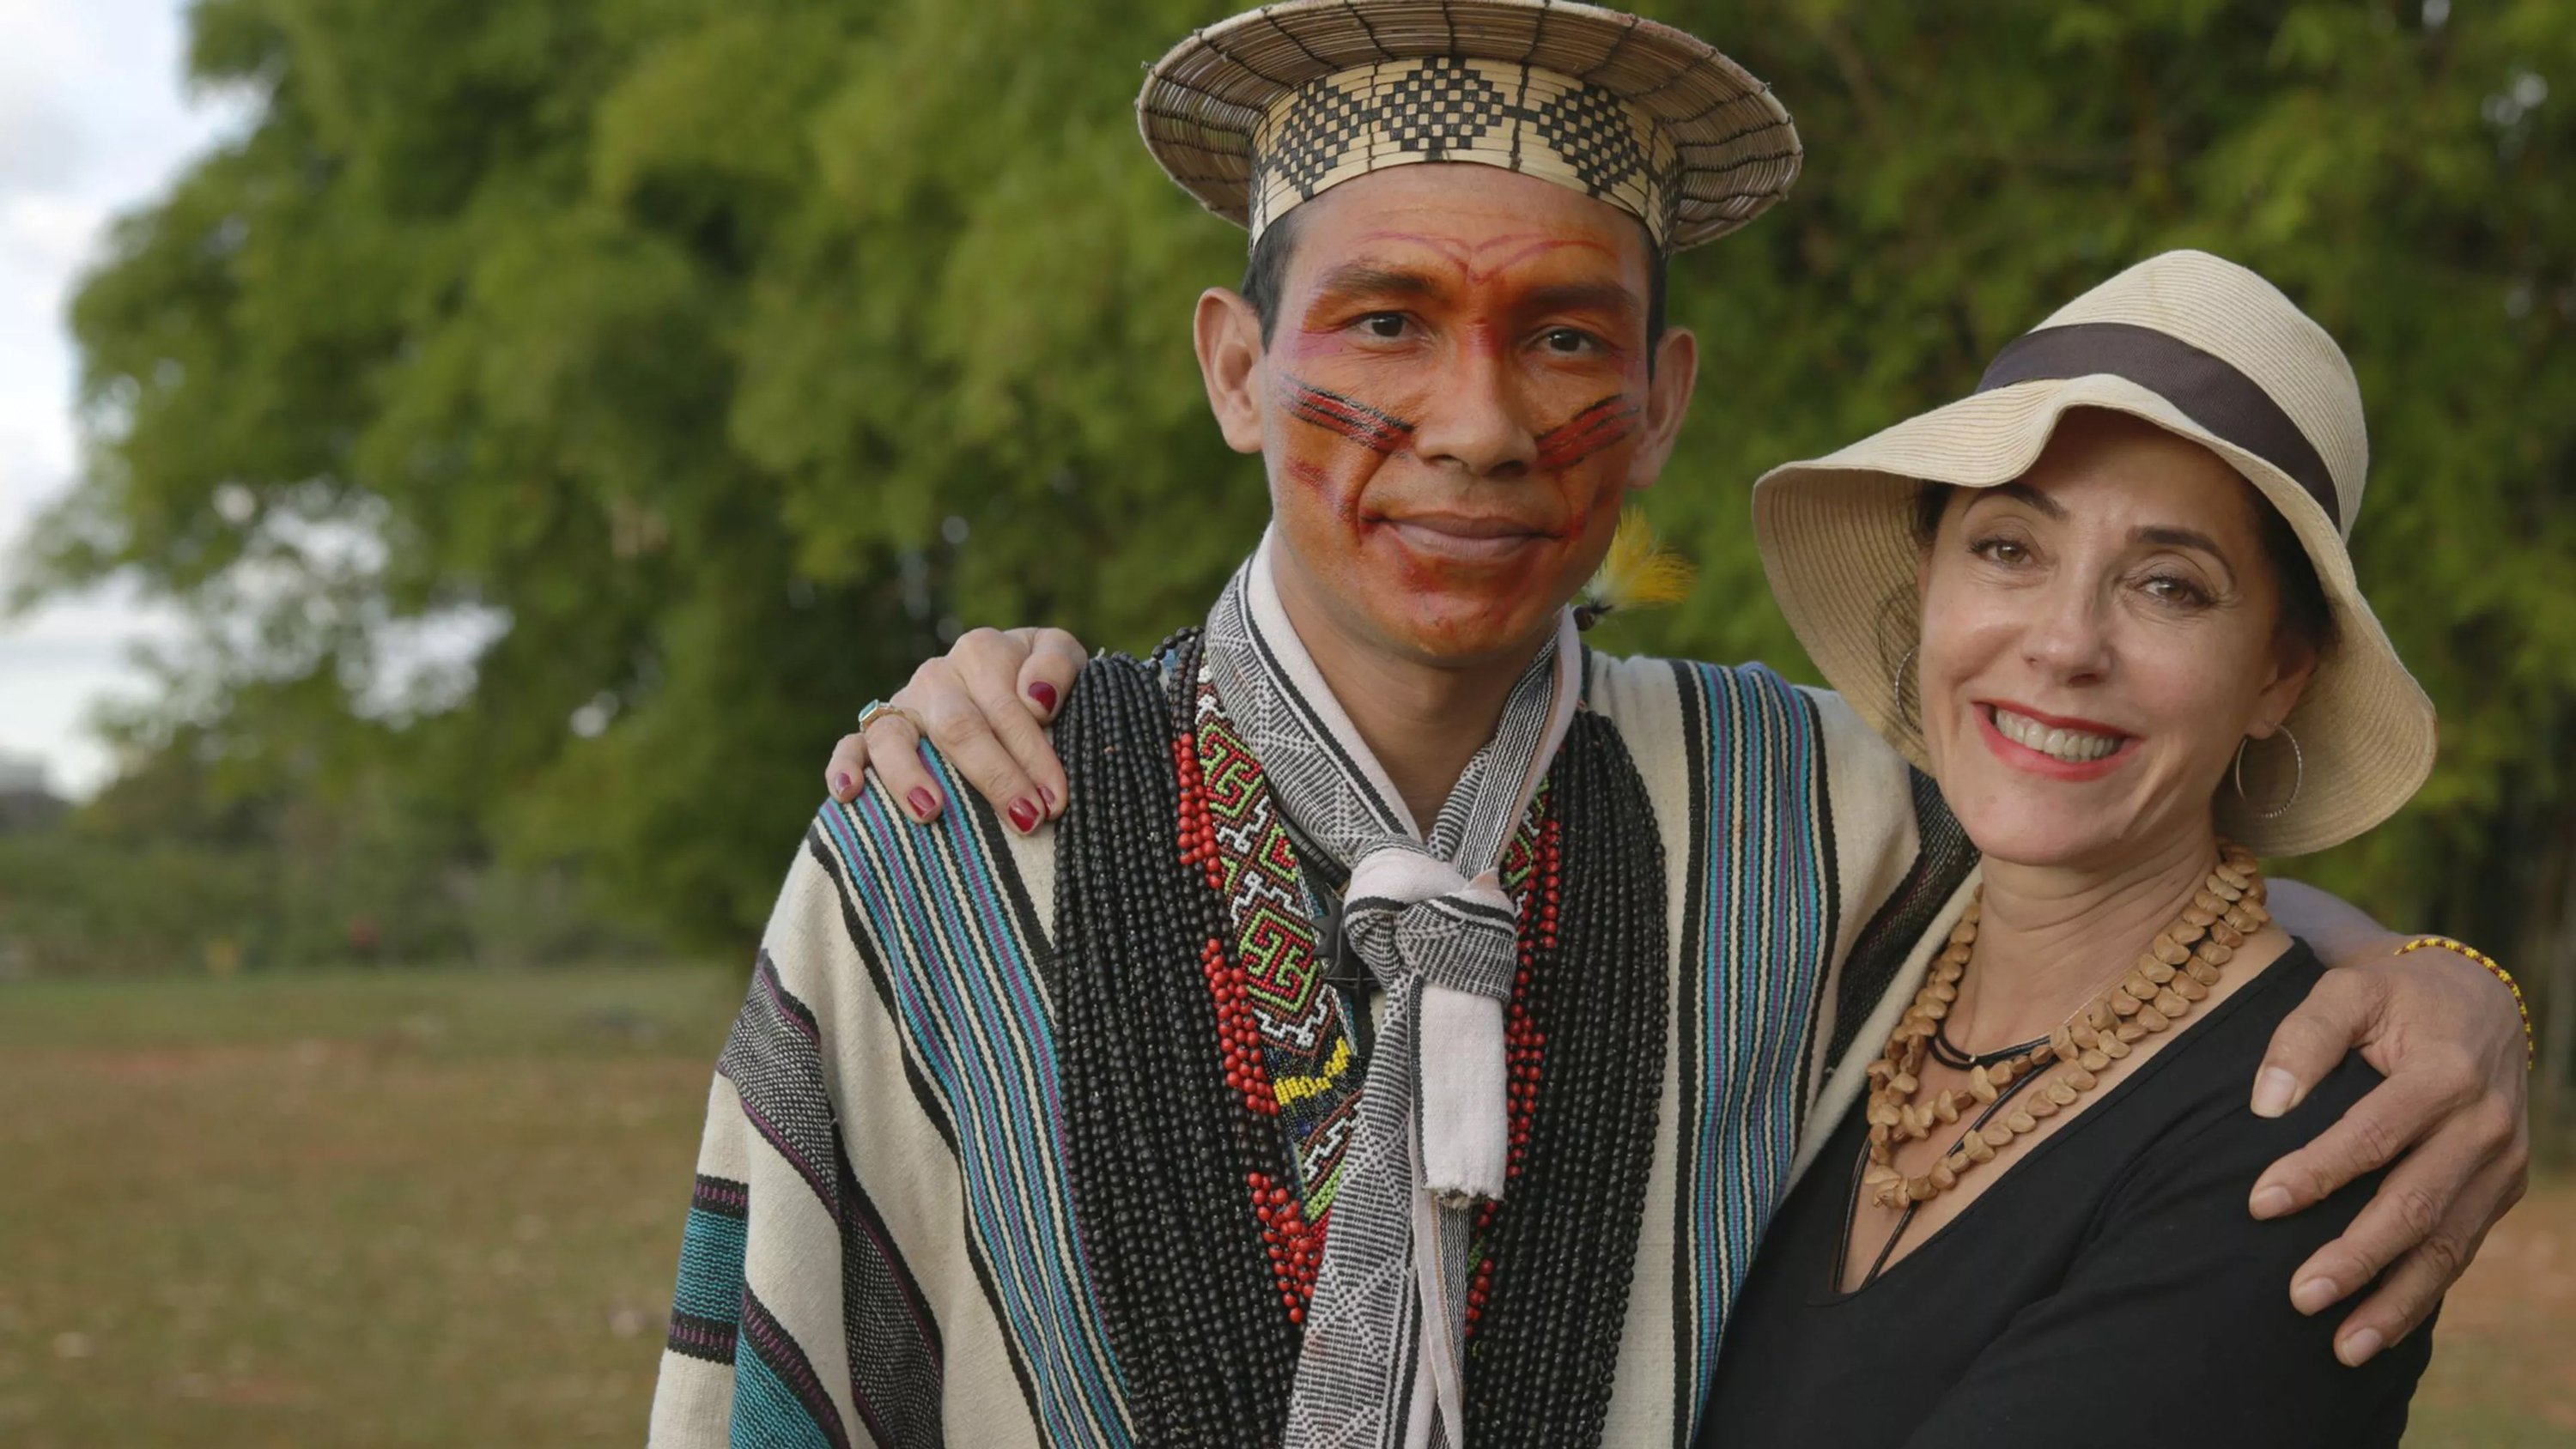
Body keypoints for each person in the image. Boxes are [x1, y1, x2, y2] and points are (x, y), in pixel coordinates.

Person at [659, 3, 2528, 1446]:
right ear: (1239, 367)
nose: (1476, 425)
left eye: (1563, 338)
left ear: (1658, 400)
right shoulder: (959, 834)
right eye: (1385, 324)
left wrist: (2442, 988)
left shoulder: (1794, 813)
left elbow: (2138, 900)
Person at [1686, 250, 2459, 1446]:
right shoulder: (1818, 994)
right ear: (1930, 582)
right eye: (2009, 548)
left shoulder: (2306, 1147)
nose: (2064, 644)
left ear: (2279, 672)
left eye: (2168, 585)